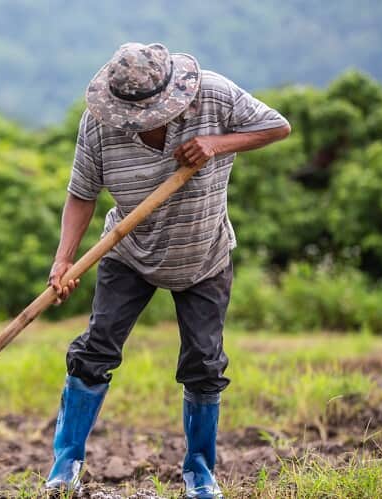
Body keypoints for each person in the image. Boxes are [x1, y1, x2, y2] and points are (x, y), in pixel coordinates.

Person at [45, 42, 291, 498]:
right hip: (129, 251)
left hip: (204, 254)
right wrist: (64, 260)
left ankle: (200, 472)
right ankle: (64, 467)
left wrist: (216, 144)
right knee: (95, 349)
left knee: (204, 362)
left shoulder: (214, 96)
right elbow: (82, 193)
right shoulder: (99, 124)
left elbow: (277, 126)